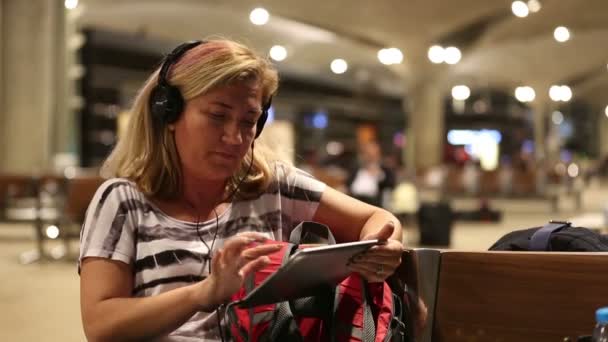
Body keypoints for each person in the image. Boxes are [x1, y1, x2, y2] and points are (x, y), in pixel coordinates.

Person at [79, 39, 404, 342]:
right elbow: (101, 324)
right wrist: (202, 294)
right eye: (218, 116)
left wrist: (383, 249)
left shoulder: (274, 186)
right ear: (169, 112)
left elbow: (378, 218)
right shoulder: (124, 201)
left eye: (249, 121)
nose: (235, 137)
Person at [346, 140, 396, 208]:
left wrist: (378, 175)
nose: (370, 157)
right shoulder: (356, 170)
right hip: (354, 202)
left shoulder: (385, 171)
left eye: (373, 155)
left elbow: (390, 185)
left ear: (378, 155)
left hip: (374, 205)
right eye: (367, 154)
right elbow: (348, 185)